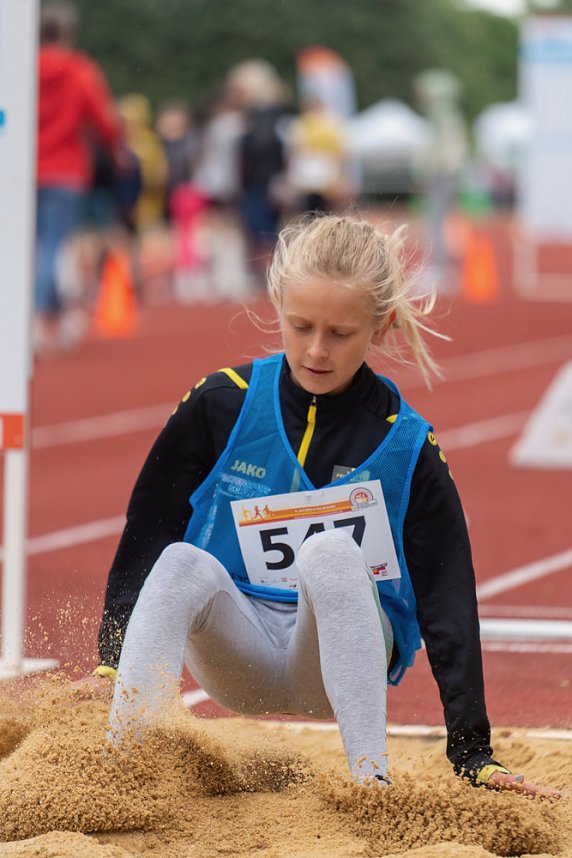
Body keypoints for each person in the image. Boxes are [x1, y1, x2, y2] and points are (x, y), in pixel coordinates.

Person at [88, 213, 559, 797]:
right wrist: (112, 659)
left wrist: (472, 751)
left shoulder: (406, 444)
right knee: (181, 561)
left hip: (336, 664)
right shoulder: (222, 403)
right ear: (278, 303)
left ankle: (370, 786)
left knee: (333, 552)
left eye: (340, 334)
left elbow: (447, 597)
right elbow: (149, 526)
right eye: (300, 325)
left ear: (380, 327)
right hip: (240, 650)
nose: (315, 350)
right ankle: (115, 770)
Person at [35, 1, 122, 355]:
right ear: (68, 33)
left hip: (23, 170)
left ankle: (47, 314)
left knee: (36, 247)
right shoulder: (79, 70)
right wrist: (117, 151)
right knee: (55, 246)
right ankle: (41, 317)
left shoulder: (18, 67)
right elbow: (103, 118)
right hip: (66, 169)